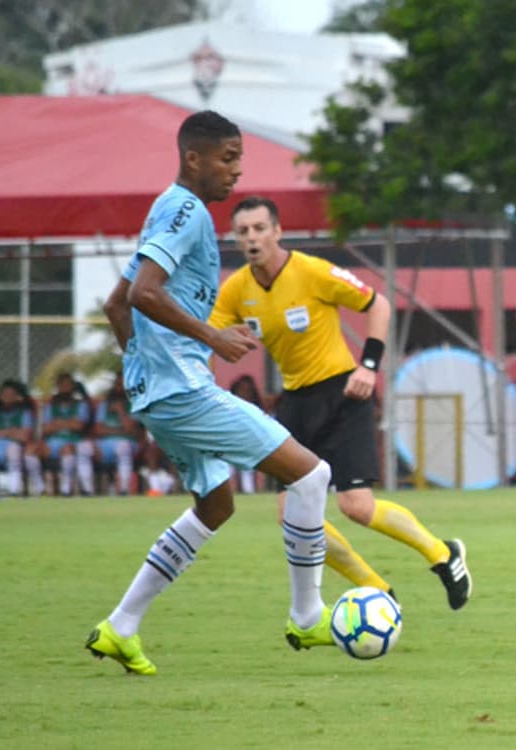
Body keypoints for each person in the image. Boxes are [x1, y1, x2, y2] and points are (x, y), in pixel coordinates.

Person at [85, 110, 338, 676]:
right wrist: (210, 337)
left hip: (162, 391)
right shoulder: (186, 210)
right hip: (182, 391)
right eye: (228, 158)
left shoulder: (163, 208)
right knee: (311, 474)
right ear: (193, 158)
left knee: (217, 505)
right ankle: (306, 615)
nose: (237, 171)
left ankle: (120, 627)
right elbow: (145, 295)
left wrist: (140, 370)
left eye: (239, 159)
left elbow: (115, 303)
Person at [210, 195, 471, 609]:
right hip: (294, 405)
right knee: (292, 519)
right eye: (243, 232)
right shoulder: (236, 289)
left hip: (344, 394)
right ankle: (380, 592)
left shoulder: (311, 271)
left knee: (356, 506)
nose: (252, 238)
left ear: (277, 232)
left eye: (260, 228)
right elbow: (208, 335)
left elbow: (377, 304)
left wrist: (368, 366)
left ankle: (443, 555)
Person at [37, 372, 97, 496]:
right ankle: (39, 490)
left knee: (71, 450)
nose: (64, 388)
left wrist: (57, 423)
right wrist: (68, 423)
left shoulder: (81, 404)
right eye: (61, 385)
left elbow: (79, 426)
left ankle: (70, 489)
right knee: (32, 451)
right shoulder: (50, 405)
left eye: (67, 385)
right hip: (52, 443)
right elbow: (46, 428)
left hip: (75, 441)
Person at [0, 378, 45, 497]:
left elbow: (24, 436)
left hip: (14, 446)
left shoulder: (24, 412)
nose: (7, 397)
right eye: (4, 394)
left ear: (17, 396)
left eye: (11, 394)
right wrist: (10, 431)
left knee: (14, 452)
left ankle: (14, 490)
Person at [92, 371, 145, 496]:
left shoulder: (136, 404)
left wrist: (120, 411)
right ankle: (85, 492)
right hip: (104, 445)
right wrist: (118, 430)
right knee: (84, 448)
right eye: (118, 384)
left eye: (124, 385)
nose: (120, 388)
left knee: (123, 446)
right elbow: (98, 430)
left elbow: (130, 429)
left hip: (129, 444)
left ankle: (124, 490)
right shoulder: (104, 405)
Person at [227, 374, 268, 494]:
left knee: (247, 473)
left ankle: (249, 494)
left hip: (248, 445)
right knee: (225, 472)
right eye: (241, 391)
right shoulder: (228, 407)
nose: (244, 394)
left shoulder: (256, 410)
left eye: (247, 391)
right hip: (228, 445)